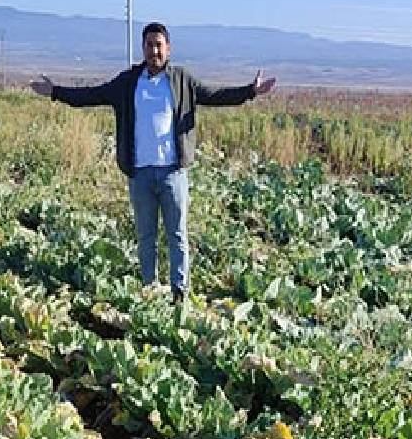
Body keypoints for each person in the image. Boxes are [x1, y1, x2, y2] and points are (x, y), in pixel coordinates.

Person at [30, 21, 277, 306]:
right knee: (146, 237)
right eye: (149, 44)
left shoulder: (182, 81)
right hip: (140, 174)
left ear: (168, 49)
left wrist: (251, 91)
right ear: (143, 48)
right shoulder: (127, 82)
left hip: (173, 172)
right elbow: (91, 95)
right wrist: (55, 92)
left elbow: (216, 95)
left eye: (159, 45)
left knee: (177, 235)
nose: (154, 50)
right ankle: (149, 291)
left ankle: (179, 293)